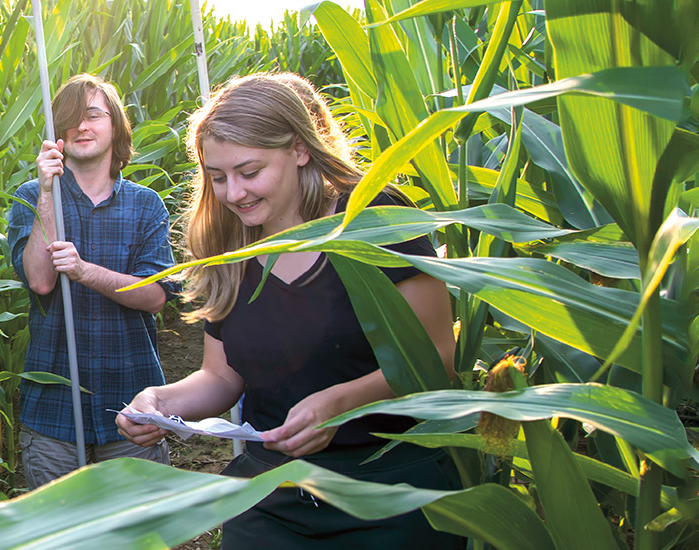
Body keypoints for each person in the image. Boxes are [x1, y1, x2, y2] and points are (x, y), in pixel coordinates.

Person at [115, 73, 464, 548]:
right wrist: (161, 403)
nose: (233, 193)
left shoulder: (374, 218)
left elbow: (436, 358)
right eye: (217, 177)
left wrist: (340, 403)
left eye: (249, 172)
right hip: (271, 494)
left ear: (300, 149)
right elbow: (221, 378)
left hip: (389, 488)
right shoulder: (228, 247)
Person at [5, 73, 178, 488]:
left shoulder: (145, 205)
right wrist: (48, 191)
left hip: (132, 403)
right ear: (59, 134)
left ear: (114, 126)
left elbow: (155, 297)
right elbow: (41, 282)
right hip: (54, 411)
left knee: (141, 534)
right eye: (72, 118)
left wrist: (84, 271)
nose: (83, 126)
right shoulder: (31, 196)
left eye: (94, 115)